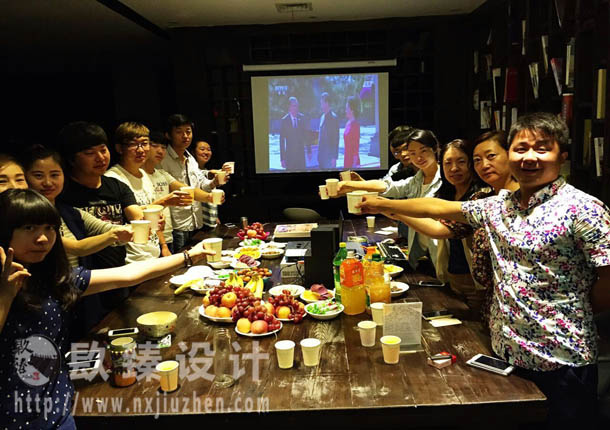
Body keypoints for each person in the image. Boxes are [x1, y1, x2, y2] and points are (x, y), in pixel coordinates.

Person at [358, 113, 610, 427]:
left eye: (542, 148)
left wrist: (571, 312)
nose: (529, 157)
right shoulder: (498, 205)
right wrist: (383, 204)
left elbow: (608, 278)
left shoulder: (584, 208)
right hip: (505, 351)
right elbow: (439, 208)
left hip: (561, 358)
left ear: (562, 156)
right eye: (521, 149)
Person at [0, 188, 214, 430]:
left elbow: (129, 274)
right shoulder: (7, 290)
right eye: (29, 228)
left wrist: (190, 255)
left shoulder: (54, 280)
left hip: (58, 410)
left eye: (49, 228)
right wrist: (5, 296)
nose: (42, 238)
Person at [339, 129, 443, 270]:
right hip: (421, 250)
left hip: (441, 249)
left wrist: (383, 206)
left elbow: (426, 212)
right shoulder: (417, 180)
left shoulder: (445, 179)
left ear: (435, 148)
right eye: (413, 153)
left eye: (423, 151)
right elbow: (388, 186)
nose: (418, 158)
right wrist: (349, 185)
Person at [21, 145, 132, 269]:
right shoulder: (26, 218)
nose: (48, 182)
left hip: (75, 280)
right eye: (38, 176)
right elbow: (77, 248)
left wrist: (137, 228)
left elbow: (107, 228)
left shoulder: (70, 213)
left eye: (54, 175)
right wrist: (114, 235)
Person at [160, 114, 219, 250]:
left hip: (196, 222)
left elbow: (201, 184)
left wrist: (214, 182)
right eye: (179, 132)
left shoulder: (190, 158)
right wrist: (209, 197)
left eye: (188, 131)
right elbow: (176, 189)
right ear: (168, 135)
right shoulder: (163, 160)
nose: (185, 136)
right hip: (177, 225)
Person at [104, 122, 162, 262]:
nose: (140, 150)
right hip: (131, 259)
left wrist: (163, 245)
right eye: (133, 144)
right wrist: (166, 202)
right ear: (119, 148)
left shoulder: (144, 174)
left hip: (152, 253)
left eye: (144, 143)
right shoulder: (112, 179)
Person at [192, 139, 231, 229]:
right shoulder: (193, 172)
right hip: (199, 222)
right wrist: (219, 172)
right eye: (202, 149)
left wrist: (215, 216)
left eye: (209, 149)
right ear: (193, 152)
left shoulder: (205, 170)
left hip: (210, 219)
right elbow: (207, 176)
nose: (206, 152)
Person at [279, 97, 308, 171]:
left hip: (301, 157)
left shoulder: (302, 118)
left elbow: (306, 135)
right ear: (289, 107)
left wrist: (309, 150)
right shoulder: (284, 120)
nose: (296, 108)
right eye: (294, 106)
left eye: (297, 106)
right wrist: (282, 159)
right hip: (289, 157)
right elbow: (281, 141)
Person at [317, 92, 340, 169]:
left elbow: (336, 139)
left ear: (326, 103)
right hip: (321, 157)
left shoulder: (334, 118)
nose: (321, 106)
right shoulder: (322, 117)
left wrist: (334, 157)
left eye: (322, 103)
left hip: (329, 158)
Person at [343, 96, 361, 169]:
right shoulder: (347, 123)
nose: (345, 111)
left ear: (352, 110)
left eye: (347, 108)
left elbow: (356, 146)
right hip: (346, 159)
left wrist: (354, 164)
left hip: (353, 161)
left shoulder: (356, 125)